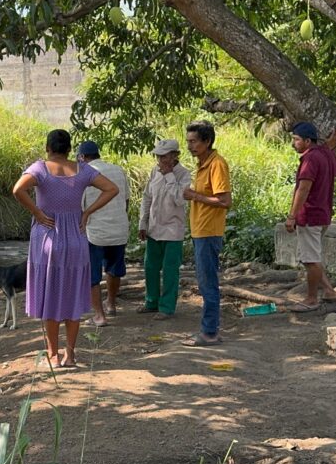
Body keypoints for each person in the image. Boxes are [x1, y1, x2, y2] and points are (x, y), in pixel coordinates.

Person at [12, 129, 119, 367]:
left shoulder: (40, 169)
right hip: (75, 238)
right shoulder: (83, 170)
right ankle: (70, 355)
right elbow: (112, 189)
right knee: (72, 296)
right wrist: (87, 212)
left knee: (51, 296)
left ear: (47, 148)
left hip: (47, 236)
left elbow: (18, 190)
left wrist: (37, 212)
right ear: (70, 149)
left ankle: (53, 355)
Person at [181, 120, 231, 346]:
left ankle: (210, 332)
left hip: (209, 230)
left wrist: (195, 196)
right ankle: (209, 329)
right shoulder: (203, 164)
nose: (190, 146)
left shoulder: (216, 164)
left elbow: (225, 201)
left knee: (208, 282)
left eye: (194, 141)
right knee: (204, 281)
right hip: (201, 229)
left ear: (207, 141)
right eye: (188, 141)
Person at [285, 121, 336, 311]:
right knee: (312, 256)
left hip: (310, 215)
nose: (293, 143)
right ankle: (329, 291)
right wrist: (332, 148)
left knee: (310, 260)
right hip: (324, 214)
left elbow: (303, 189)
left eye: (296, 139)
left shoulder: (310, 159)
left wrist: (292, 216)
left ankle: (311, 299)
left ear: (307, 141)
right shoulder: (326, 154)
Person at [78, 140, 130, 327]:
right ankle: (111, 304)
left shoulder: (84, 174)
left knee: (92, 274)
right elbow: (126, 201)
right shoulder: (118, 170)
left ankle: (99, 316)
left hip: (95, 232)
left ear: (82, 157)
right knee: (114, 269)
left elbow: (80, 205)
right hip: (119, 229)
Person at [138, 139, 192, 320]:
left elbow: (179, 199)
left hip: (173, 231)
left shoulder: (184, 174)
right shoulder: (155, 171)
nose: (160, 160)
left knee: (170, 270)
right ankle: (151, 302)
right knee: (150, 267)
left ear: (175, 156)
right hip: (154, 228)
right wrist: (143, 223)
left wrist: (169, 175)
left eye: (164, 156)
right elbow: (147, 198)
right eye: (158, 156)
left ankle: (167, 307)